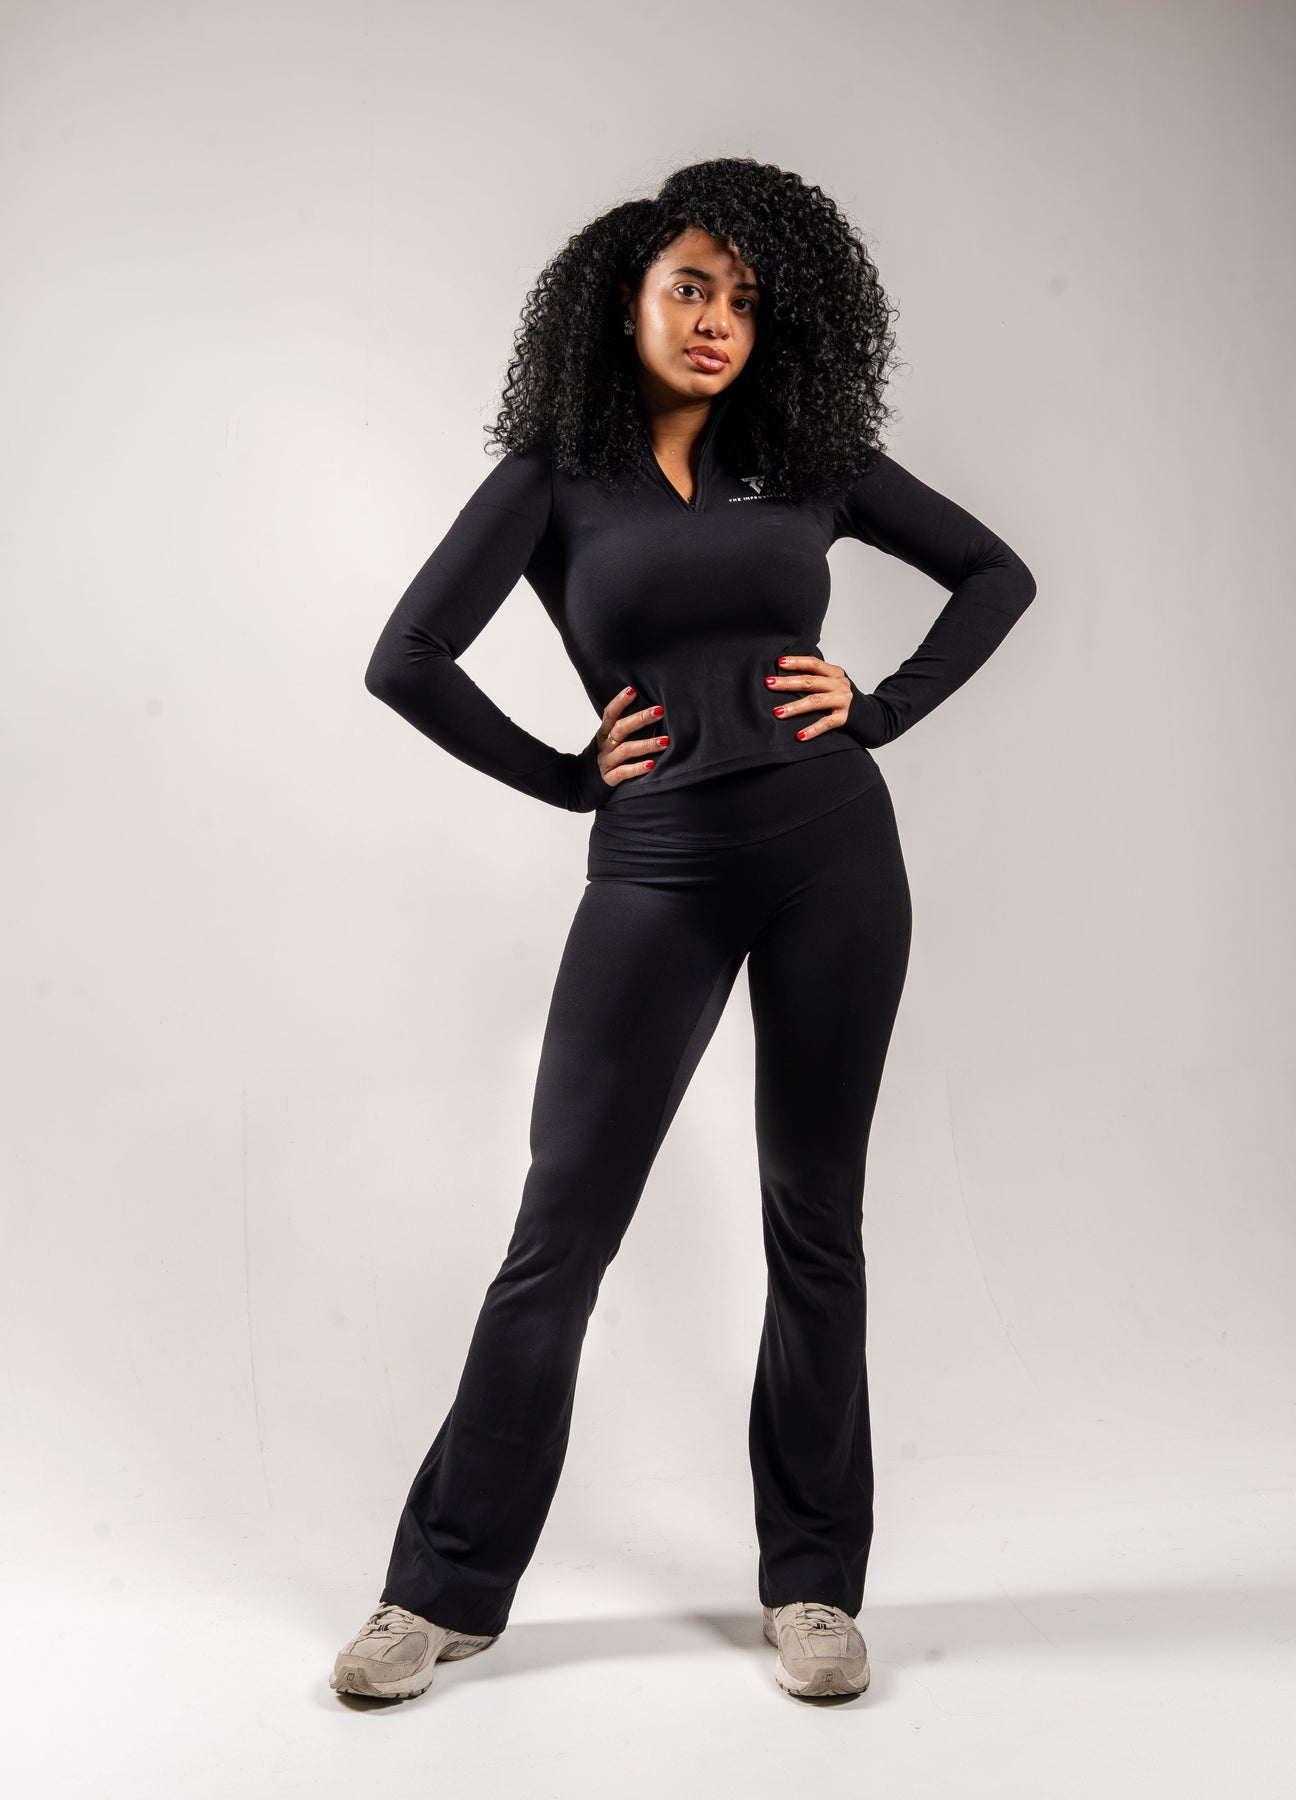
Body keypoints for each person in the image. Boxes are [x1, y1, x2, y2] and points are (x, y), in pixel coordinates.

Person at [331, 156, 1037, 1705]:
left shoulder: (811, 461)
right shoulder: (552, 479)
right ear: (626, 300)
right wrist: (567, 774)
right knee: (561, 1231)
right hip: (655, 869)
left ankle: (815, 1584)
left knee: (814, 1217)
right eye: (690, 288)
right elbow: (408, 656)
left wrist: (881, 707)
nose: (718, 320)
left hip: (833, 857)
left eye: (745, 299)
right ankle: (436, 1593)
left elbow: (998, 573)